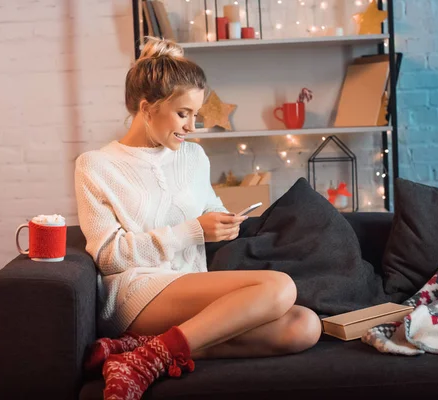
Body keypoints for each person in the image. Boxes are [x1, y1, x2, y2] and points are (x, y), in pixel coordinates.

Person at [74, 36, 322, 400]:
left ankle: (139, 349)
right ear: (146, 108)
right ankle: (148, 360)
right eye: (183, 114)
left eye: (196, 114)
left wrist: (221, 222)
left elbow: (207, 209)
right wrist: (192, 231)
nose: (192, 125)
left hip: (188, 285)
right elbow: (108, 257)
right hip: (135, 293)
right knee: (280, 286)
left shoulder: (193, 157)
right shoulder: (96, 165)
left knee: (303, 326)